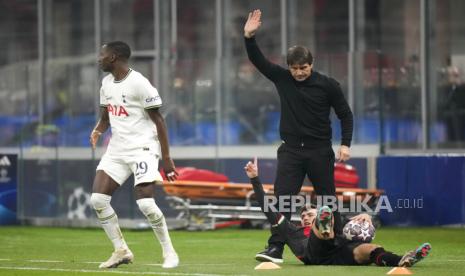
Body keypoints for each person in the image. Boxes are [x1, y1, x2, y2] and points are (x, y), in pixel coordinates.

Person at [244, 9, 354, 263]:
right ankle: (276, 248)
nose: (299, 73)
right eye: (294, 69)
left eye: (303, 68)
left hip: (320, 151)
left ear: (311, 64)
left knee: (327, 198)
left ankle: (337, 245)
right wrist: (249, 38)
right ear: (289, 68)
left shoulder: (328, 85)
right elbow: (259, 61)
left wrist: (345, 144)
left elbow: (345, 115)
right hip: (291, 150)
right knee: (282, 200)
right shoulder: (283, 79)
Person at [89, 41, 179, 269]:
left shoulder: (139, 83)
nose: (99, 58)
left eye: (103, 54)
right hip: (117, 149)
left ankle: (169, 252)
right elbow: (107, 114)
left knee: (146, 204)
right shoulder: (106, 83)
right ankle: (121, 250)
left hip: (143, 148)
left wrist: (166, 158)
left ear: (114, 57)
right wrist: (99, 129)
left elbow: (159, 120)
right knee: (98, 200)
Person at [244, 157, 432, 266]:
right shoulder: (292, 231)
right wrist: (254, 179)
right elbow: (268, 208)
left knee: (368, 250)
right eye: (303, 216)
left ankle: (403, 260)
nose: (305, 217)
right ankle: (324, 228)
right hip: (313, 254)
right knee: (327, 224)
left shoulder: (339, 221)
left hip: (337, 252)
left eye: (310, 214)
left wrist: (368, 216)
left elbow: (366, 225)